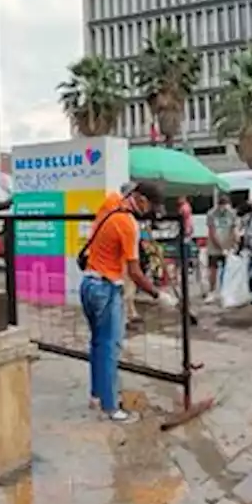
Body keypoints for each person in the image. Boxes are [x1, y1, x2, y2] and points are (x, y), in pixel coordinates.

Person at [80, 181, 173, 422]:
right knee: (110, 348)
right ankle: (111, 408)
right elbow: (135, 272)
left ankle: (96, 395)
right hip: (107, 288)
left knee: (97, 344)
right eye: (150, 206)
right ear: (141, 200)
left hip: (88, 284)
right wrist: (157, 295)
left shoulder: (111, 203)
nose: (150, 212)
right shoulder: (128, 224)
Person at [204, 195, 237, 300]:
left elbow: (233, 230)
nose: (224, 209)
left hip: (228, 245)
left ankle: (226, 291)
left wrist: (231, 245)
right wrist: (221, 247)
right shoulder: (211, 214)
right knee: (213, 269)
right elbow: (212, 233)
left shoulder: (232, 213)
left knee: (228, 270)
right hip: (214, 246)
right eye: (223, 206)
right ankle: (212, 291)